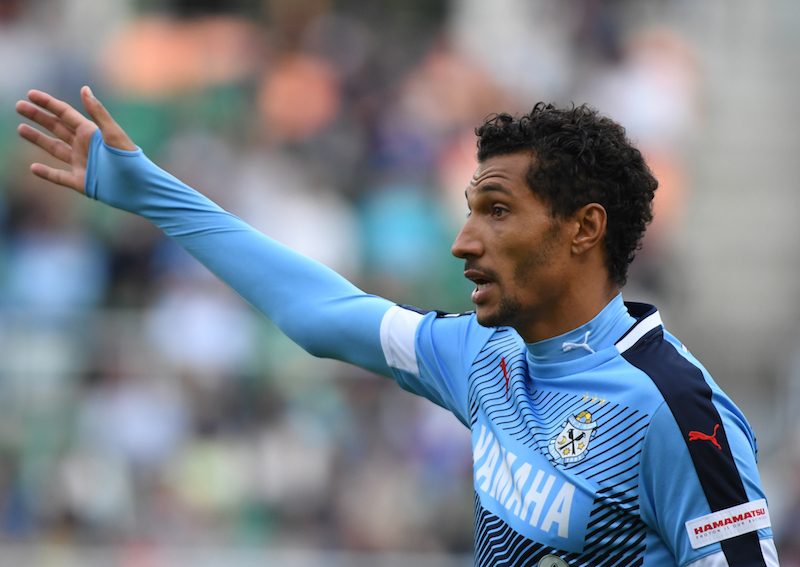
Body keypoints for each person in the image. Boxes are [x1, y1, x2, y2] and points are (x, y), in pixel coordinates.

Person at [16, 87, 778, 566]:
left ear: (584, 227)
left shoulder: (673, 408)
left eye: (498, 211)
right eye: (470, 211)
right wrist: (150, 193)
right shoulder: (484, 354)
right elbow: (322, 314)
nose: (463, 241)